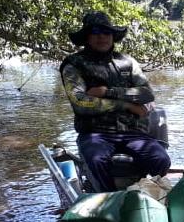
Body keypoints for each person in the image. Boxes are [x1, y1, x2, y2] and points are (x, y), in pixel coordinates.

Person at [60, 10, 170, 191]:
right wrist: (125, 104)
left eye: (106, 32)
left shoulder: (127, 62)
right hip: (95, 133)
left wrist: (107, 92)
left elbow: (146, 94)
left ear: (113, 36)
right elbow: (80, 102)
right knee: (97, 160)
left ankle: (148, 192)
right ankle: (110, 198)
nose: (101, 37)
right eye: (95, 32)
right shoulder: (73, 64)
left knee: (161, 159)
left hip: (133, 132)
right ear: (87, 37)